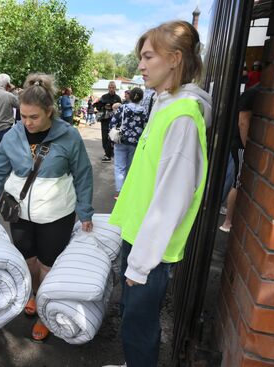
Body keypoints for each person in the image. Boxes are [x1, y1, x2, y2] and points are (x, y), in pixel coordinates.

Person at [106, 21, 211, 367]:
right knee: (132, 320)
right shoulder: (164, 102)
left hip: (150, 250)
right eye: (141, 57)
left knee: (139, 326)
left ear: (175, 59)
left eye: (149, 56)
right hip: (138, 239)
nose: (140, 64)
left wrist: (140, 263)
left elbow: (171, 200)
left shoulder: (182, 116)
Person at [0, 73, 94, 342]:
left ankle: (45, 312)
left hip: (56, 214)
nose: (27, 123)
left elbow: (83, 174)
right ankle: (32, 293)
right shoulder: (13, 134)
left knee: (48, 265)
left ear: (50, 112)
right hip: (19, 213)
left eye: (34, 117)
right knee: (27, 260)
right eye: (23, 116)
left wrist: (85, 211)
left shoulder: (69, 136)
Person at [219, 83, 259, 232]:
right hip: (240, 145)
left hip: (236, 143)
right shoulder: (254, 94)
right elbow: (243, 121)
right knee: (236, 181)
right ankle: (227, 222)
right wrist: (245, 145)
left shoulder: (250, 92)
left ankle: (227, 220)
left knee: (234, 179)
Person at [110, 87, 148, 200]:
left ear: (130, 97)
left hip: (121, 140)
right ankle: (127, 189)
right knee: (130, 166)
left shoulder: (123, 108)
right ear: (141, 98)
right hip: (135, 142)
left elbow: (113, 122)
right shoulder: (144, 111)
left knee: (119, 166)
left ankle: (120, 192)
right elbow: (146, 127)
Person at [95, 81, 122, 162]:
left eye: (113, 87)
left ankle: (108, 154)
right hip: (105, 120)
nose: (111, 89)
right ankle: (108, 152)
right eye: (110, 87)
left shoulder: (117, 98)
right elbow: (98, 107)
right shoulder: (104, 96)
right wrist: (103, 106)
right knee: (104, 138)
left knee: (111, 137)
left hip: (113, 121)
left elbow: (121, 109)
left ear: (115, 88)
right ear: (108, 88)